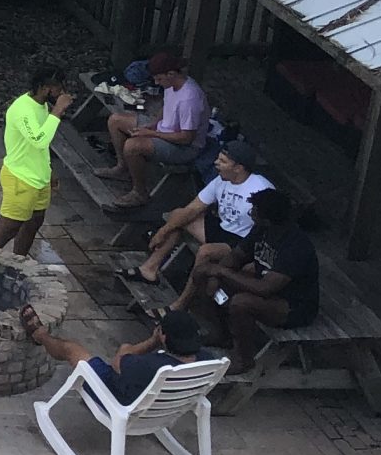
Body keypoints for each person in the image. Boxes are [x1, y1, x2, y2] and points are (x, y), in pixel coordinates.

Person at [180, 189, 319, 374]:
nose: (251, 212)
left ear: (267, 219)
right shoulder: (262, 230)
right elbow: (236, 256)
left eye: (254, 210)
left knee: (241, 303)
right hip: (263, 286)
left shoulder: (296, 247)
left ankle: (244, 359)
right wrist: (214, 276)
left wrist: (221, 272)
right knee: (202, 272)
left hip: (292, 305)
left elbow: (265, 288)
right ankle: (221, 333)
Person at [137, 140, 272, 286]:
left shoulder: (261, 189)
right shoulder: (222, 179)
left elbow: (268, 230)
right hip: (222, 227)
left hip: (242, 241)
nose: (216, 163)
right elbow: (193, 208)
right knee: (178, 216)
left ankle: (185, 297)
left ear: (238, 168)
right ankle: (149, 269)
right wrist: (163, 231)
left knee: (205, 251)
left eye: (223, 161)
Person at [19, 304, 214, 402]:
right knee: (125, 351)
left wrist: (153, 341)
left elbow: (118, 360)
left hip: (120, 401)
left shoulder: (149, 366)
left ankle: (40, 335)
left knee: (72, 349)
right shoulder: (208, 360)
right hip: (161, 407)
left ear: (163, 335)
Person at [99, 50, 210, 208]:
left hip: (184, 148)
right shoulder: (172, 85)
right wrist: (152, 124)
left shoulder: (189, 100)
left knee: (132, 146)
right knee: (115, 120)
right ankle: (122, 168)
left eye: (159, 79)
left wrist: (152, 133)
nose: (157, 83)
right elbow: (166, 106)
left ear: (171, 74)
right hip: (163, 130)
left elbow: (186, 138)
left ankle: (140, 193)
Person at [0, 66, 69, 255]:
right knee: (8, 229)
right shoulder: (23, 110)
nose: (62, 93)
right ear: (44, 88)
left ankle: (20, 262)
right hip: (21, 179)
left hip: (39, 178)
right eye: (59, 88)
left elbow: (39, 148)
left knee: (34, 222)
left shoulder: (42, 105)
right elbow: (39, 141)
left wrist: (48, 170)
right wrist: (57, 111)